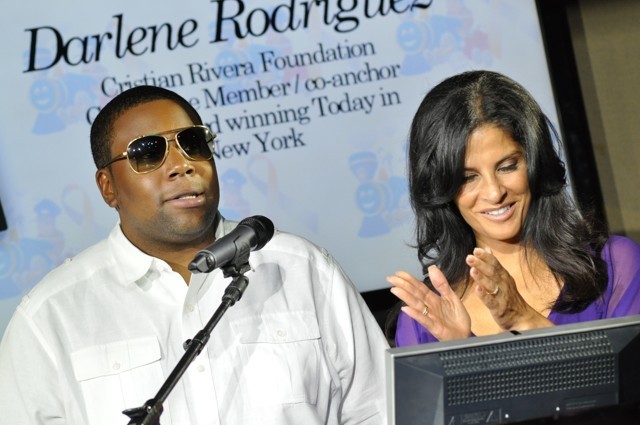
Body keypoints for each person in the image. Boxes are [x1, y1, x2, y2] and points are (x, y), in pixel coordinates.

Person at [0, 85, 389, 424]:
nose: (182, 165)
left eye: (193, 143)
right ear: (108, 187)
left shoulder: (302, 269)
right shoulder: (52, 316)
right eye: (148, 152)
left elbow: (379, 410)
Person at [387, 70, 640, 346]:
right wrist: (459, 348)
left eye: (507, 166)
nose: (495, 192)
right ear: (441, 188)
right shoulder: (424, 319)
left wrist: (524, 319)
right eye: (468, 178)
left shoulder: (614, 266)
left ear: (535, 161)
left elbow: (624, 374)